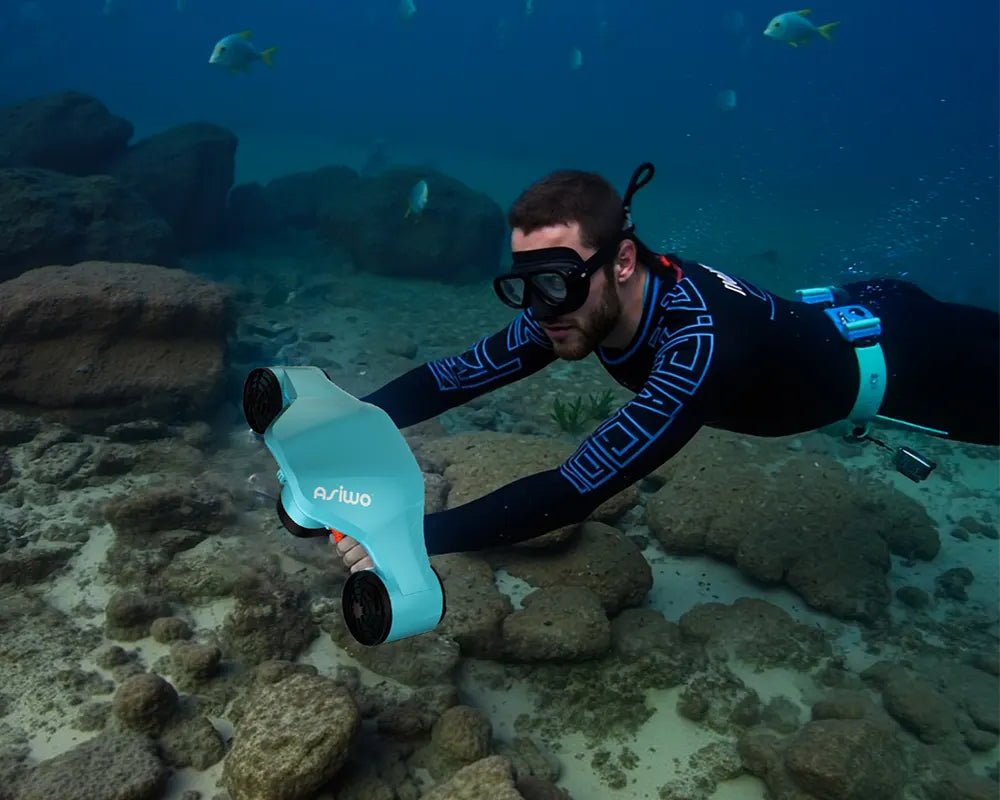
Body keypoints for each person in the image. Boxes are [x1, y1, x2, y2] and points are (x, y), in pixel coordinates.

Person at [335, 163, 1000, 573]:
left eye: (558, 282)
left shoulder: (701, 346)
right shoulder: (580, 300)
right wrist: (342, 427)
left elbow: (574, 488)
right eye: (527, 284)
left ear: (621, 262)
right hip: (863, 310)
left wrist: (412, 538)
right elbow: (455, 376)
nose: (541, 308)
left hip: (930, 369)